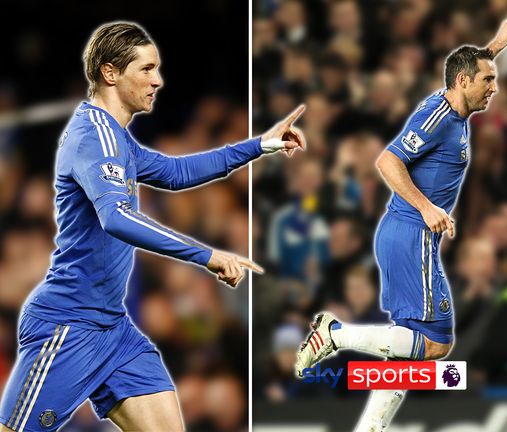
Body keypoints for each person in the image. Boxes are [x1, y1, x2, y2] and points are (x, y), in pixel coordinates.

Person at [0, 22, 305, 432]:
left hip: (114, 329)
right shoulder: (94, 138)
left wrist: (259, 145)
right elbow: (117, 218)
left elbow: (177, 172)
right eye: (145, 69)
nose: (158, 80)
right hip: (68, 325)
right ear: (110, 74)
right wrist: (207, 255)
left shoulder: (118, 139)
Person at [294, 4, 507, 431]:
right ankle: (335, 334)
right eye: (488, 79)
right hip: (410, 233)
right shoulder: (438, 116)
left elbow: (469, 69)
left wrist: (497, 44)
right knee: (437, 344)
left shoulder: (454, 107)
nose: (494, 87)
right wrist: (428, 207)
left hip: (410, 236)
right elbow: (387, 161)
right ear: (463, 81)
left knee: (403, 353)